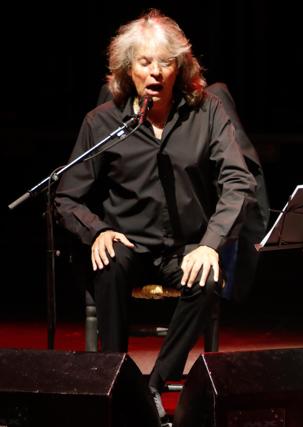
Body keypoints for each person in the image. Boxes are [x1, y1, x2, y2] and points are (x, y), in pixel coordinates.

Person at [55, 10, 257, 423]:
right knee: (107, 261)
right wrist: (97, 231)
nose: (155, 72)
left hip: (185, 248)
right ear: (127, 70)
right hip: (127, 243)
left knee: (208, 274)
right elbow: (67, 195)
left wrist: (210, 244)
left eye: (165, 62)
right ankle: (114, 382)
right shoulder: (103, 122)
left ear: (179, 67)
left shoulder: (208, 112)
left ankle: (151, 385)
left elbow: (238, 182)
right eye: (145, 62)